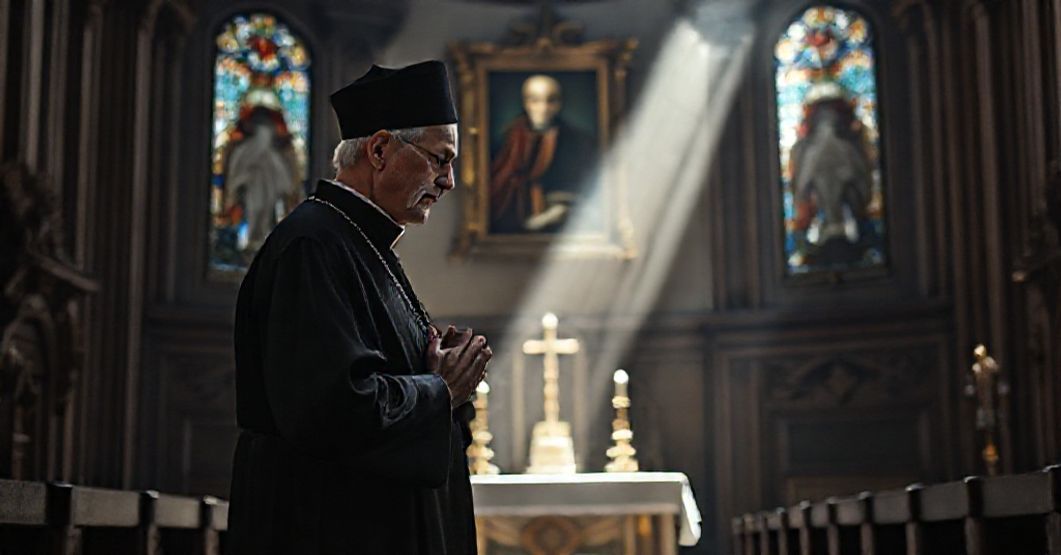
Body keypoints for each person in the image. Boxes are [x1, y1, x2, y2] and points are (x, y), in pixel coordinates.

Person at [228, 60, 492, 554]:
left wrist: (437, 375)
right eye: (440, 159)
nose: (449, 180)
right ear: (379, 149)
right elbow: (329, 410)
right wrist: (439, 390)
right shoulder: (315, 246)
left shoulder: (360, 244)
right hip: (329, 528)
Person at [489, 74, 597, 233]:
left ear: (559, 104)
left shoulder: (578, 142)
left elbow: (583, 188)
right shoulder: (507, 140)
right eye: (535, 100)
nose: (543, 108)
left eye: (551, 101)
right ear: (526, 103)